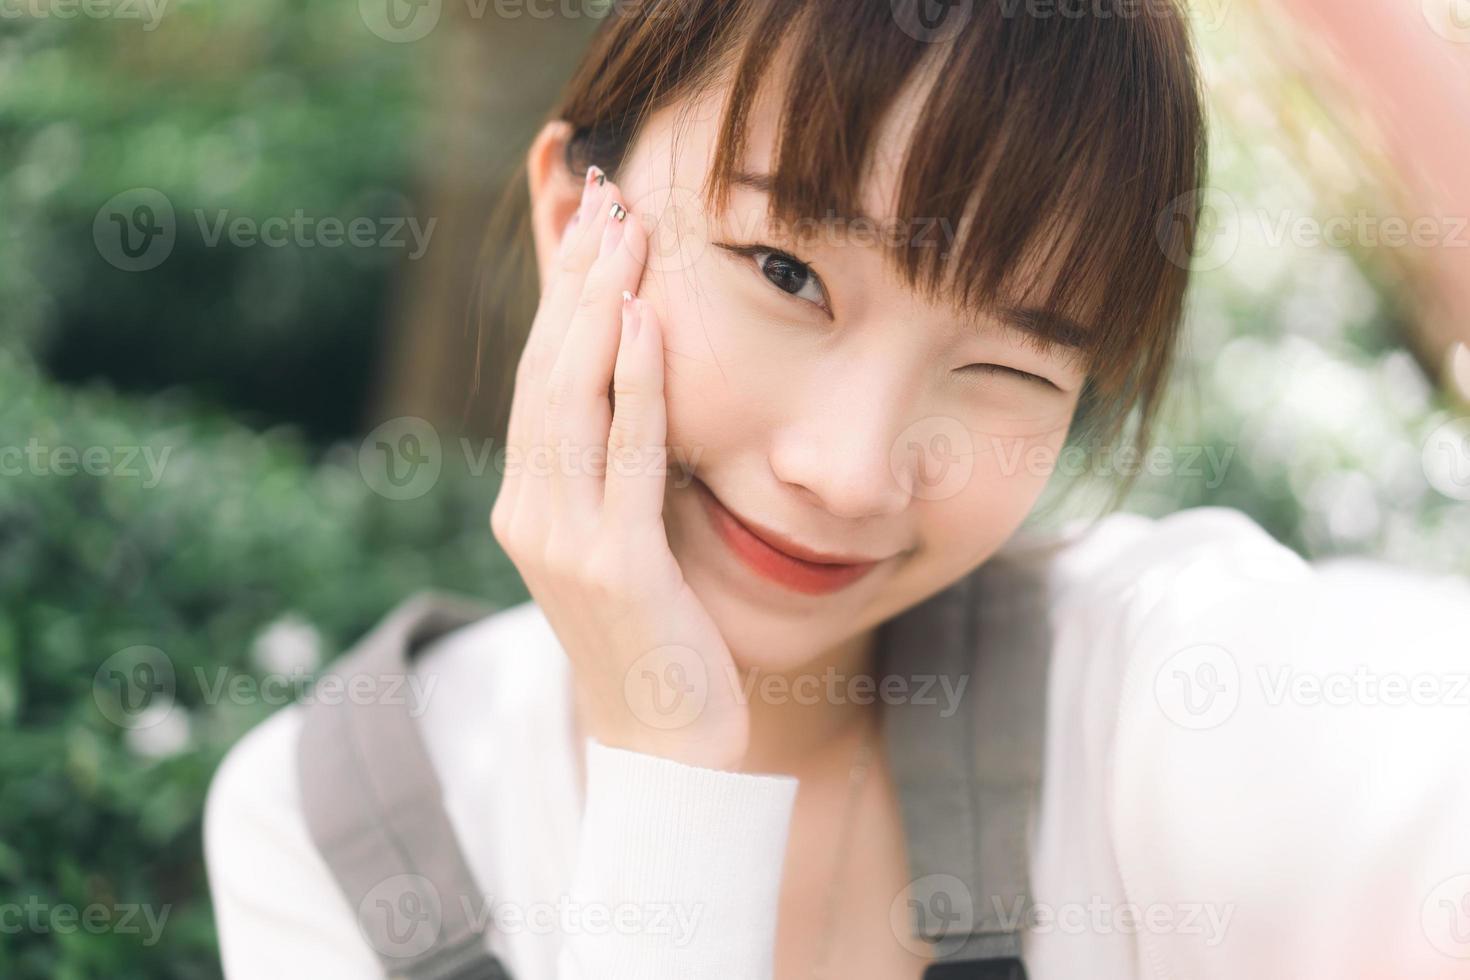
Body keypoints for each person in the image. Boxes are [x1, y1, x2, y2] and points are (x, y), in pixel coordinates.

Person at [204, 2, 1470, 977]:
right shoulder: (343, 826)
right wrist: (672, 756)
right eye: (785, 272)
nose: (851, 470)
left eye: (1008, 364)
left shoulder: (1155, 686)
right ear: (570, 220)